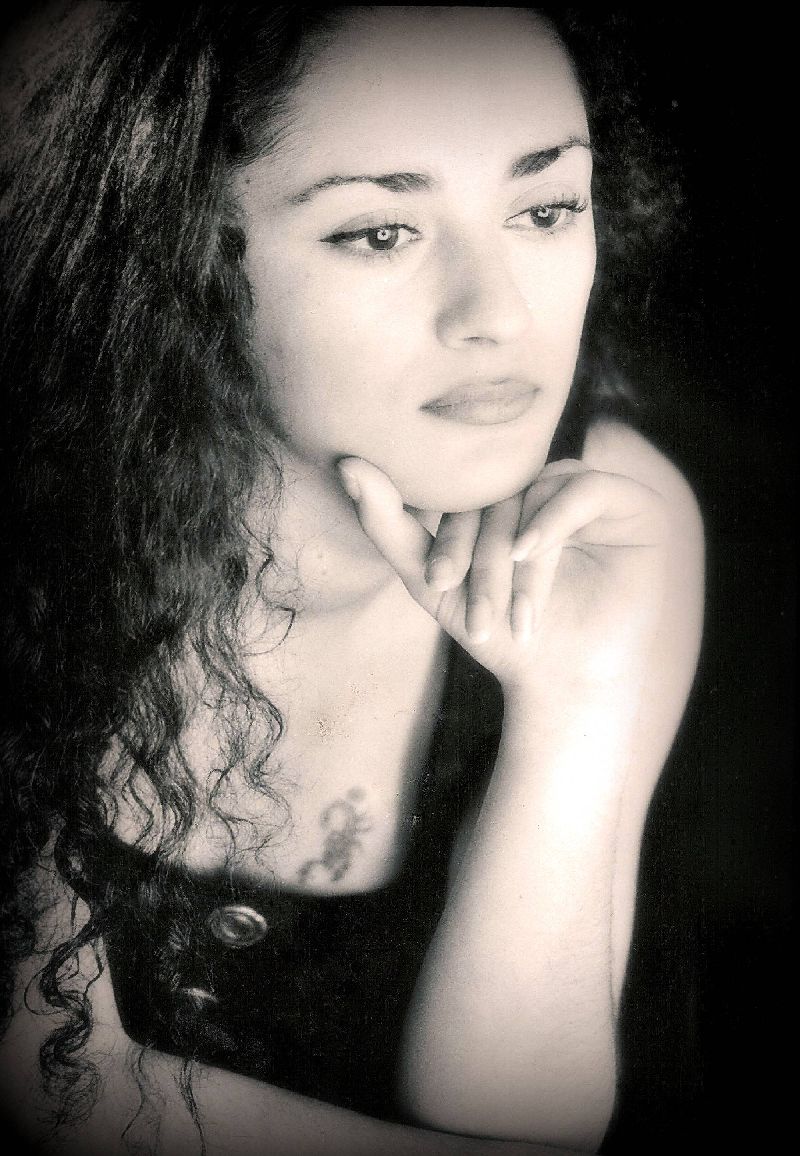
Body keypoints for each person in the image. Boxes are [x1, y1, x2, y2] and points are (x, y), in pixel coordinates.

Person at [0, 4, 704, 1153]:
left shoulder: (605, 521)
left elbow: (526, 1118)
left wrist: (575, 707)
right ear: (187, 260)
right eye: (379, 232)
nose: (496, 316)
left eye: (543, 210)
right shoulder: (32, 543)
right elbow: (49, 1102)